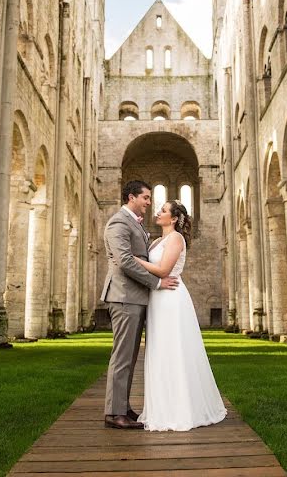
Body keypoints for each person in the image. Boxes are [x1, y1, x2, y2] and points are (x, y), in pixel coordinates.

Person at [135, 200, 228, 431]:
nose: (158, 212)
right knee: (159, 349)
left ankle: (181, 409)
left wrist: (134, 261)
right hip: (157, 298)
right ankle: (162, 407)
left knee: (173, 349)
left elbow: (164, 270)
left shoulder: (176, 238)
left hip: (171, 298)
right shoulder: (158, 240)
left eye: (163, 210)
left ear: (174, 219)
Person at [100, 180, 180, 429]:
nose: (149, 202)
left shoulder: (135, 224)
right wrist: (156, 283)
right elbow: (124, 261)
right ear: (131, 197)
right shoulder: (118, 222)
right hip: (124, 296)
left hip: (134, 297)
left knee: (130, 356)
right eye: (145, 197)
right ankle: (114, 414)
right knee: (122, 356)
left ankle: (122, 407)